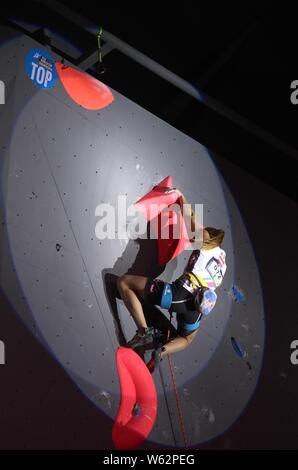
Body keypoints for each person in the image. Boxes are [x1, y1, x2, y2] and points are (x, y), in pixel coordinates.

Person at [117, 188, 227, 370]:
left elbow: (193, 220)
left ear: (209, 236)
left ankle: (144, 331)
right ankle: (161, 351)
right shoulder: (222, 261)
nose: (194, 237)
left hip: (181, 294)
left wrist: (181, 196)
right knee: (186, 338)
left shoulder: (207, 239)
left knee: (124, 283)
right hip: (198, 308)